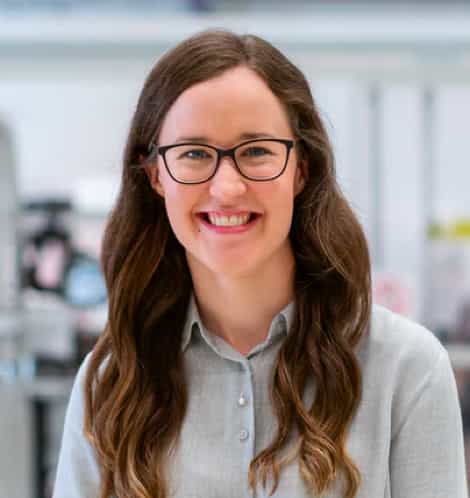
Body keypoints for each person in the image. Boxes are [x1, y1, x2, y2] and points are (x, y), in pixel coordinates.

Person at [53, 29, 468, 498]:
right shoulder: (111, 382)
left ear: (301, 168)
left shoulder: (407, 369)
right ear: (155, 177)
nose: (227, 187)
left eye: (256, 152)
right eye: (193, 153)